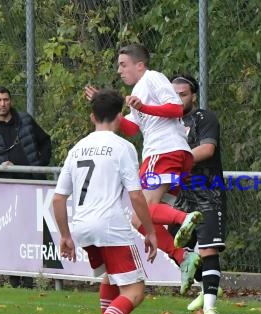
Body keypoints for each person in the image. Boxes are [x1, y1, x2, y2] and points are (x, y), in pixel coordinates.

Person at [53, 89, 158, 314]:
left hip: (82, 226)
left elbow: (58, 199)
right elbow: (136, 196)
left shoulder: (76, 149)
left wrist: (65, 235)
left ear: (92, 117)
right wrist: (150, 231)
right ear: (120, 116)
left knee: (110, 278)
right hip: (110, 225)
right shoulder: (123, 148)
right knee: (135, 290)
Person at [84, 43, 201, 277]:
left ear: (140, 65)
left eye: (123, 65)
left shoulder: (152, 78)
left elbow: (177, 108)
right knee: (139, 218)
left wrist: (144, 106)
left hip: (164, 151)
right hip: (170, 153)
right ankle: (183, 258)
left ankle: (185, 219)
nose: (119, 70)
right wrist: (103, 104)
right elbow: (131, 129)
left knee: (143, 209)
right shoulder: (139, 89)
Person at [169, 74, 226, 314]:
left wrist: (178, 160)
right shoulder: (166, 121)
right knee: (178, 243)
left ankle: (211, 307)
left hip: (208, 190)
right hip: (183, 192)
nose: (178, 99)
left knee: (208, 248)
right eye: (174, 94)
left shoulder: (205, 118)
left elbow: (207, 148)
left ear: (193, 96)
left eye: (183, 94)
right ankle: (207, 285)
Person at [0, 86, 52, 289]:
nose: (3, 104)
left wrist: (40, 167)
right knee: (9, 232)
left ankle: (29, 278)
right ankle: (13, 276)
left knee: (31, 231)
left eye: (6, 99)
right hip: (3, 189)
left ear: (11, 101)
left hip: (31, 185)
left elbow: (45, 142)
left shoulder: (25, 120)